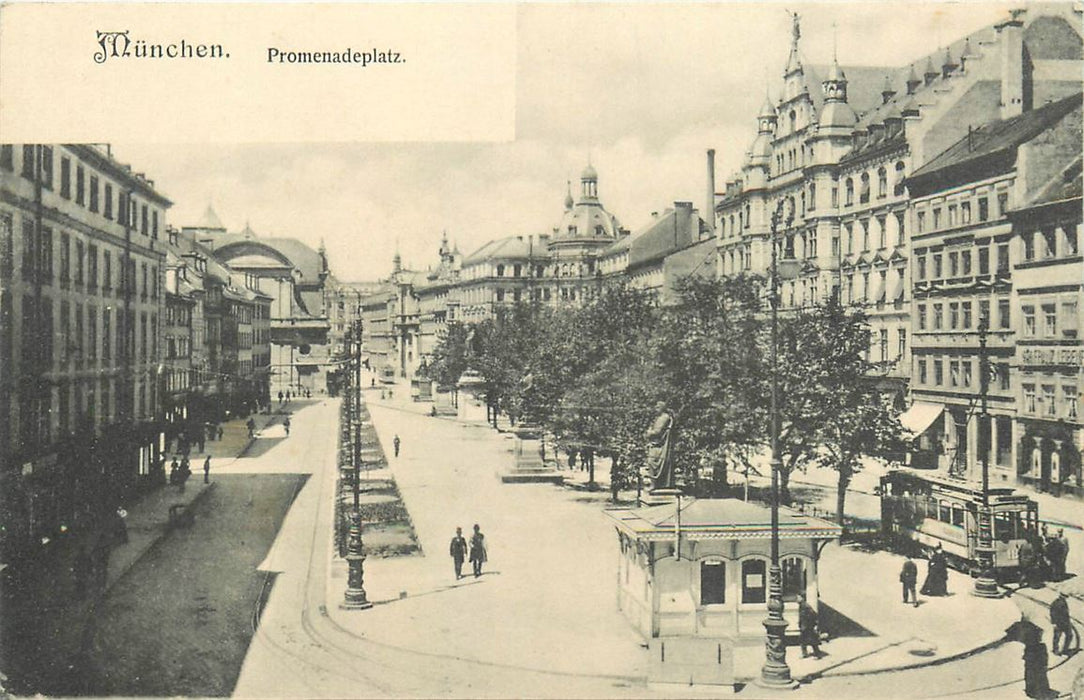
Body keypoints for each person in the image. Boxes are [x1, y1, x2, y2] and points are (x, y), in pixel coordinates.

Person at [1051, 592, 1079, 656]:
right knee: (1059, 637)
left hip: (1064, 623)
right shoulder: (1057, 603)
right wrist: (1054, 623)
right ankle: (1059, 650)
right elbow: (1053, 613)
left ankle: (1062, 650)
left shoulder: (1061, 602)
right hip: (1060, 623)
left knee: (1067, 636)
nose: (1066, 598)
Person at [798, 594, 823, 658]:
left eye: (798, 597)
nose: (797, 599)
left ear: (802, 598)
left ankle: (817, 654)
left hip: (808, 627)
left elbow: (813, 615)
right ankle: (804, 654)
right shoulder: (801, 605)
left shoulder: (806, 606)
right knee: (802, 640)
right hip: (804, 626)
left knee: (812, 641)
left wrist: (810, 625)